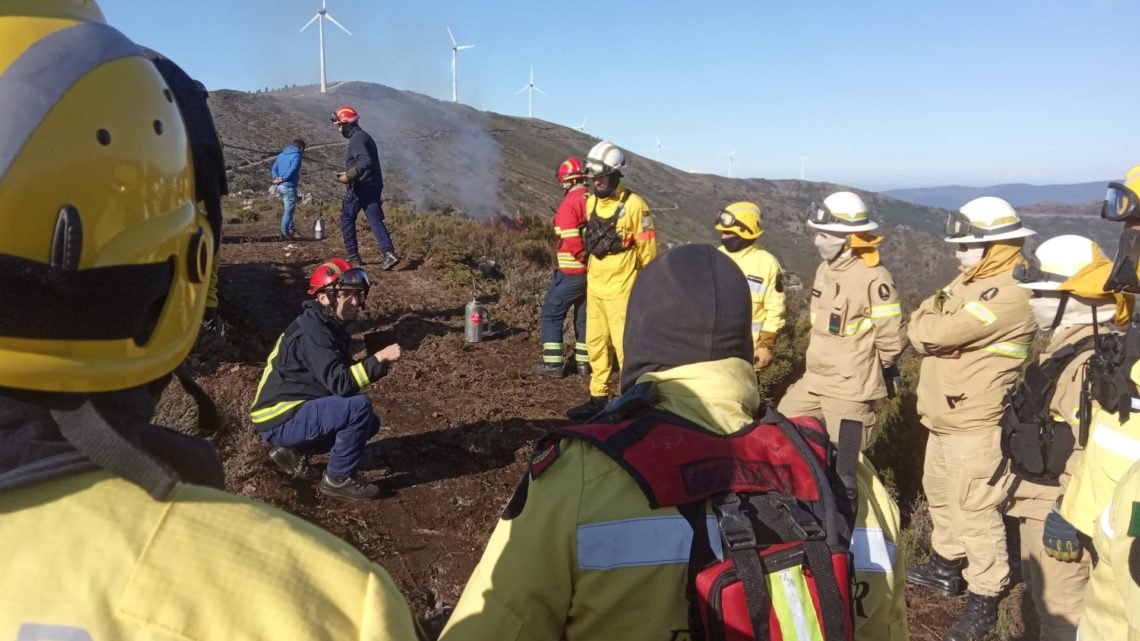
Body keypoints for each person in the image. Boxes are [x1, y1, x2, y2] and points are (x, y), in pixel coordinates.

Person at [0, 3, 423, 639]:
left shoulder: (322, 313)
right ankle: (331, 473)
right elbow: (340, 387)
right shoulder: (335, 605)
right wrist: (378, 365)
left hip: (282, 415)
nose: (355, 301)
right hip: (279, 431)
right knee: (353, 407)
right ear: (185, 267)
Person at [439, 244, 907, 641]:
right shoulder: (847, 473)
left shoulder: (579, 474)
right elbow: (887, 625)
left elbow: (494, 623)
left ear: (642, 336)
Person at [906, 196, 1037, 641]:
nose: (956, 254)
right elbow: (928, 318)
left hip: (977, 419)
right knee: (940, 493)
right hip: (946, 414)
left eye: (965, 246)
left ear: (993, 246)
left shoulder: (1010, 292)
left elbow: (931, 332)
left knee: (976, 510)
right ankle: (946, 566)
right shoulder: (972, 282)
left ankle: (985, 593)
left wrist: (930, 323)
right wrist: (930, 319)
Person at [1003, 235, 1129, 641]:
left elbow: (1089, 443)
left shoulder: (1086, 363)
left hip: (1057, 501)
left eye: (1041, 292)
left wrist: (1064, 509)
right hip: (1048, 497)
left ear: (1073, 299)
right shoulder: (1077, 350)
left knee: (1063, 612)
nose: (1032, 301)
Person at [250, 259, 402, 500]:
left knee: (368, 423)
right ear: (324, 298)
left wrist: (377, 363)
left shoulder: (327, 325)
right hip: (280, 415)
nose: (354, 302)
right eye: (346, 295)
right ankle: (338, 479)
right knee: (358, 408)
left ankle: (293, 451)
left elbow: (338, 377)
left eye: (357, 295)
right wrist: (378, 359)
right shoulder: (315, 331)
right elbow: (341, 384)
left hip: (289, 411)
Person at [776, 191, 905, 447]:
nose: (816, 241)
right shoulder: (825, 269)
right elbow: (818, 323)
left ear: (848, 239)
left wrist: (872, 368)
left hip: (851, 388)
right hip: (815, 378)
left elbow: (892, 337)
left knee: (848, 464)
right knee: (782, 426)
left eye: (823, 234)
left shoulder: (874, 276)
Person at [566, 141, 657, 419]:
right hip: (596, 287)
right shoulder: (591, 202)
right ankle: (598, 398)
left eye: (602, 177)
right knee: (595, 343)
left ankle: (627, 400)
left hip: (623, 290)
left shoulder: (635, 206)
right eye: (594, 178)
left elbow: (648, 252)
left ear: (616, 175)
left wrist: (647, 288)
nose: (598, 182)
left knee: (624, 347)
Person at [534, 157, 590, 378]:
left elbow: (571, 238)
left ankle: (553, 364)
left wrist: (581, 258)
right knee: (583, 317)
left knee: (551, 314)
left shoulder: (570, 204)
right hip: (592, 273)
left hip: (571, 272)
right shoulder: (593, 199)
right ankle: (584, 364)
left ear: (566, 180)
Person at [715, 201, 786, 370]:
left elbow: (775, 310)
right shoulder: (716, 256)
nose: (723, 236)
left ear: (744, 231)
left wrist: (766, 346)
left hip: (745, 352)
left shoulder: (767, 264)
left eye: (727, 231)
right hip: (713, 349)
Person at [332, 105, 399, 270]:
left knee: (347, 219)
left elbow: (365, 162)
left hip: (360, 187)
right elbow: (364, 162)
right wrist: (349, 172)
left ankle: (353, 257)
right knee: (375, 220)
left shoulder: (357, 139)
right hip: (373, 186)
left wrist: (349, 176)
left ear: (347, 124)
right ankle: (389, 254)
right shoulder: (364, 137)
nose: (339, 128)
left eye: (340, 125)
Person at [271, 138, 306, 240]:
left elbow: (274, 167)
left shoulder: (282, 154)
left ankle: (291, 229)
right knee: (289, 211)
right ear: (301, 148)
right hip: (288, 186)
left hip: (280, 187)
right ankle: (284, 232)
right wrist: (283, 178)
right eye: (304, 150)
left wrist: (276, 178)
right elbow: (294, 169)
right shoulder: (297, 155)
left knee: (288, 209)